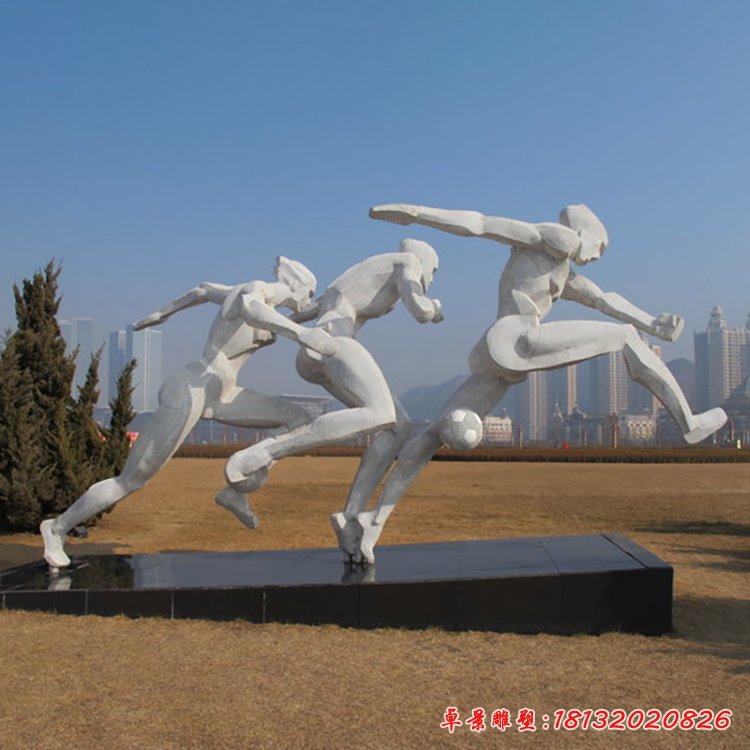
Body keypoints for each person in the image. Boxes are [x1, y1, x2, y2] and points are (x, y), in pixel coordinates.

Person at [339, 202, 728, 564]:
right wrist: (413, 213)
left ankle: (369, 522)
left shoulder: (559, 269)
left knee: (431, 437)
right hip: (519, 338)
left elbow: (603, 298)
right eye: (601, 245)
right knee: (625, 337)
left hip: (497, 353)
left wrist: (652, 323)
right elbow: (480, 224)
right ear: (585, 231)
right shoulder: (558, 239)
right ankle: (688, 422)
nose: (597, 255)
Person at [41, 257, 336, 568]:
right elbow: (252, 310)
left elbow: (202, 291)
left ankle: (238, 488)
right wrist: (300, 334)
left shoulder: (269, 306)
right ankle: (56, 527)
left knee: (298, 419)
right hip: (192, 388)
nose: (309, 300)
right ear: (295, 284)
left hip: (224, 393)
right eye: (310, 292)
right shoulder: (254, 290)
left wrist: (163, 313)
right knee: (132, 479)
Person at [222, 239, 443, 557]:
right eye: (434, 270)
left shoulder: (352, 276)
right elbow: (419, 309)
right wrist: (434, 308)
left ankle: (350, 516)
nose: (431, 278)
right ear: (424, 261)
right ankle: (267, 450)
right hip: (334, 343)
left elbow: (304, 313)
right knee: (381, 412)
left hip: (316, 352)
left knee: (399, 426)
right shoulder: (406, 263)